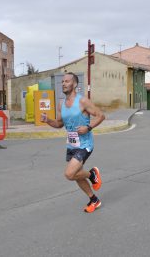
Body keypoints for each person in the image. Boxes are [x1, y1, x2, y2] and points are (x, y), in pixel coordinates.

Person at [40, 72, 105, 213]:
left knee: (70, 174)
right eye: (62, 81)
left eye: (67, 81)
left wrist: (88, 127)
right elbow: (59, 124)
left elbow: (101, 116)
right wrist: (48, 120)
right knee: (76, 175)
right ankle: (94, 199)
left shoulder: (83, 101)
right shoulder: (61, 104)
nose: (63, 83)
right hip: (71, 144)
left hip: (85, 144)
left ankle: (92, 175)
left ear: (74, 84)